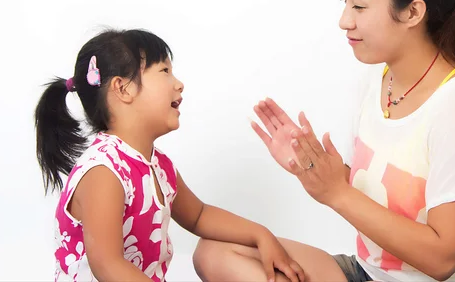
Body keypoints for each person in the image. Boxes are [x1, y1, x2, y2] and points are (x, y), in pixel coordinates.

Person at [192, 0, 455, 281]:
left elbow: (443, 258)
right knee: (215, 249)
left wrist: (336, 193)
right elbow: (373, 201)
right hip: (369, 273)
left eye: (360, 5)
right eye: (345, 2)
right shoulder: (377, 81)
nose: (344, 20)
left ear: (413, 12)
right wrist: (310, 165)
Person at [35, 28, 305, 282]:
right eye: (164, 70)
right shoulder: (103, 172)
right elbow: (107, 265)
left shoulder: (158, 166)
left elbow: (198, 215)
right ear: (123, 88)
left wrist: (261, 234)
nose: (179, 84)